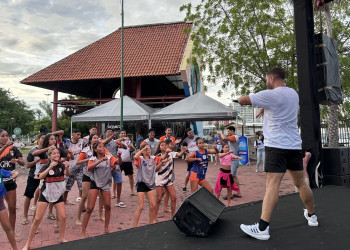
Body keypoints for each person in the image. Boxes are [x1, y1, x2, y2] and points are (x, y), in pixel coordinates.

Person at [238, 67, 318, 240]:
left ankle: (262, 228)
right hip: (294, 146)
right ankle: (312, 217)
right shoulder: (293, 94)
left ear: (271, 78)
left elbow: (242, 100)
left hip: (276, 146)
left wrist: (256, 100)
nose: (266, 81)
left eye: (267, 79)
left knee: (272, 185)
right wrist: (264, 108)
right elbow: (278, 107)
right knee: (301, 184)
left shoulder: (270, 95)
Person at [23, 148, 70, 250]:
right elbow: (40, 177)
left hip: (57, 194)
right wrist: (49, 167)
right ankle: (27, 243)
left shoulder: (61, 165)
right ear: (49, 156)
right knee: (37, 219)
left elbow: (67, 174)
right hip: (45, 193)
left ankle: (61, 237)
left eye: (58, 153)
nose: (56, 155)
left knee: (63, 217)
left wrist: (67, 167)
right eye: (54, 154)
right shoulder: (45, 165)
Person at [81, 142, 122, 238]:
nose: (103, 148)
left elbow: (118, 163)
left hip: (106, 183)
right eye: (100, 147)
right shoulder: (92, 158)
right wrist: (100, 161)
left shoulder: (109, 157)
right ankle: (83, 230)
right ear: (95, 150)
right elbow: (89, 168)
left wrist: (119, 157)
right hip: (95, 182)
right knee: (90, 208)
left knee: (108, 206)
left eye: (103, 147)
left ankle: (106, 227)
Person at [0, 129, 25, 241]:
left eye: (6, 136)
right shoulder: (4, 148)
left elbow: (23, 162)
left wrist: (17, 161)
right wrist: (5, 147)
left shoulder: (13, 148)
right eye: (2, 136)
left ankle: (12, 232)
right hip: (0, 182)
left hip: (10, 181)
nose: (5, 138)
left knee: (12, 209)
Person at [75, 134, 105, 225]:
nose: (96, 139)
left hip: (99, 176)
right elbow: (78, 162)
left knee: (101, 196)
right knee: (84, 196)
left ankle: (100, 214)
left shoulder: (102, 149)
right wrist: (88, 160)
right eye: (94, 138)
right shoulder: (85, 150)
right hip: (87, 175)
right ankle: (78, 218)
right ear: (90, 140)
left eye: (97, 138)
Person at [154, 140, 187, 218]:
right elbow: (156, 170)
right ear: (159, 148)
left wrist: (183, 150)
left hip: (168, 180)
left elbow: (179, 154)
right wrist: (162, 161)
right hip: (160, 179)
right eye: (162, 145)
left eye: (165, 145)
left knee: (174, 197)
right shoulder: (157, 156)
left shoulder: (171, 153)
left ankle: (173, 216)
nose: (164, 146)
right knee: (158, 198)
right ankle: (154, 215)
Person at [133, 145, 164, 227]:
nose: (148, 150)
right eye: (146, 149)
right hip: (141, 183)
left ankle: (151, 223)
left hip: (150, 183)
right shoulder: (140, 159)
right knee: (140, 206)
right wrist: (142, 149)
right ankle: (134, 227)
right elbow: (135, 156)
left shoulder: (153, 159)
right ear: (142, 151)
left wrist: (166, 154)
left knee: (153, 205)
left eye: (149, 149)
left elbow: (162, 158)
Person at [22, 133, 47, 225]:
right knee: (29, 195)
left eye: (46, 138)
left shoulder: (49, 150)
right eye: (43, 138)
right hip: (34, 176)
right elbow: (28, 165)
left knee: (42, 198)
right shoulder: (34, 150)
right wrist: (36, 161)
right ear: (38, 139)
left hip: (44, 177)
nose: (44, 140)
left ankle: (35, 220)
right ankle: (25, 216)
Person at [102, 128, 127, 207]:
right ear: (105, 133)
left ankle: (118, 200)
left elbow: (125, 148)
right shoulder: (102, 141)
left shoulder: (115, 142)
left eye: (111, 132)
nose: (110, 133)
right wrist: (113, 136)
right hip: (106, 164)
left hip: (115, 164)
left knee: (119, 181)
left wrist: (121, 143)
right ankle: (104, 203)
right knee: (105, 184)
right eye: (108, 132)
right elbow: (105, 142)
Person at [219, 126, 242, 198]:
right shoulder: (231, 138)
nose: (228, 133)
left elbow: (225, 138)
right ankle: (238, 193)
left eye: (228, 131)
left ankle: (230, 194)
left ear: (232, 131)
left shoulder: (235, 137)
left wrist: (221, 133)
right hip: (232, 159)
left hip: (233, 160)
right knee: (234, 176)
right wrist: (220, 137)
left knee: (229, 177)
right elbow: (224, 143)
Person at [64, 129, 84, 205]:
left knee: (81, 186)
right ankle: (64, 200)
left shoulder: (82, 142)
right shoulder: (67, 143)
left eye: (80, 135)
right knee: (67, 186)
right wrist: (74, 153)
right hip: (70, 168)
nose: (79, 136)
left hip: (80, 168)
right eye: (77, 134)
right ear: (73, 134)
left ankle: (82, 204)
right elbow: (64, 156)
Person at [0, 167, 19, 250]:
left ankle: (15, 248)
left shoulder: (1, 171)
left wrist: (15, 173)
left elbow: (11, 172)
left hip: (0, 205)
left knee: (8, 227)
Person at [118, 129, 136, 197]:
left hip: (127, 161)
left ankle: (132, 190)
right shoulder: (117, 141)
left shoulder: (128, 141)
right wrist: (121, 139)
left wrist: (131, 147)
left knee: (130, 176)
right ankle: (114, 192)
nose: (123, 134)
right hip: (119, 161)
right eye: (122, 133)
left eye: (124, 133)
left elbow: (133, 149)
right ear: (119, 134)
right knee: (117, 176)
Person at [182, 128, 198, 192]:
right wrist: (187, 154)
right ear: (187, 134)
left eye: (192, 132)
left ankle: (200, 186)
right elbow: (183, 149)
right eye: (189, 133)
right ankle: (185, 186)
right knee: (189, 172)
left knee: (199, 171)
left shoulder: (197, 138)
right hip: (190, 157)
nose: (191, 134)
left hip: (197, 156)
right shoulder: (185, 140)